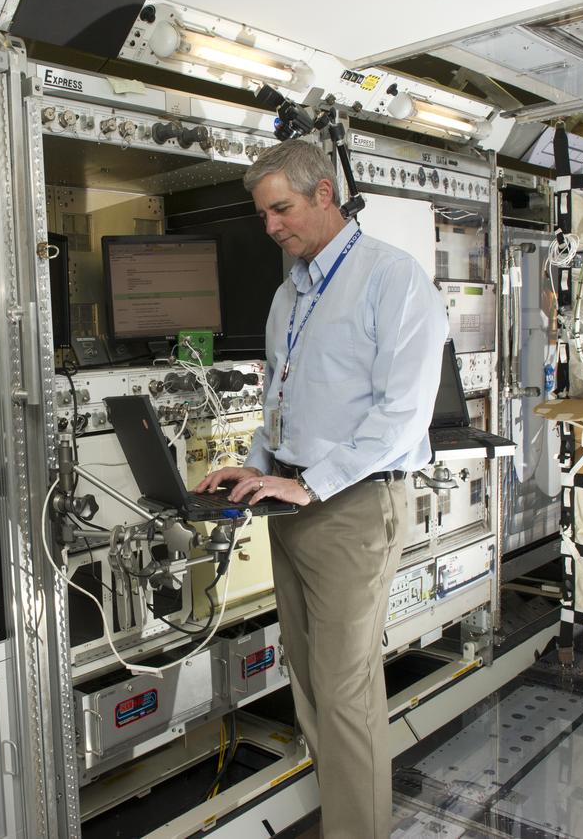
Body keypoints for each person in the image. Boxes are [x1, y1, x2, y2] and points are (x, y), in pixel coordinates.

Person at [196, 139, 447, 838]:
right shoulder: (290, 296)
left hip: (354, 507)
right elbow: (283, 402)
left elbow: (402, 415)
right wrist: (255, 464)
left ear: (324, 195)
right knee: (307, 680)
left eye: (282, 209)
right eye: (264, 215)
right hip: (293, 504)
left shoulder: (392, 281)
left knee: (344, 693)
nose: (272, 226)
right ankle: (344, 810)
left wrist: (314, 485)